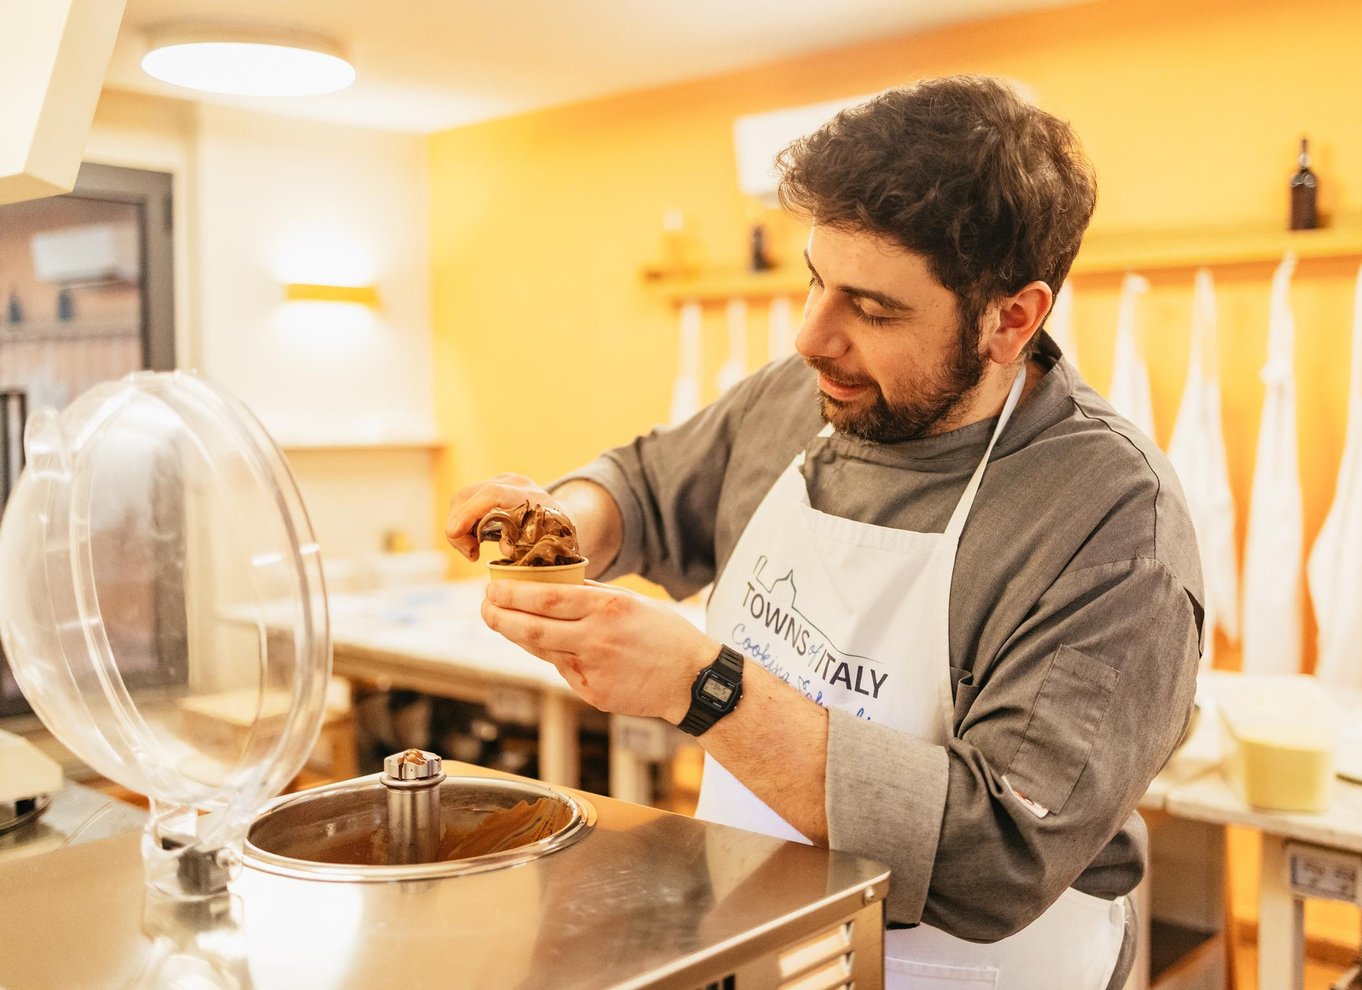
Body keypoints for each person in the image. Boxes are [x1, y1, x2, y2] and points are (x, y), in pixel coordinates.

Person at [446, 75, 1202, 990]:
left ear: (1012, 320)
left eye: (873, 308)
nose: (812, 336)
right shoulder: (800, 400)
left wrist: (702, 687)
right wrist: (556, 523)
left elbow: (994, 858)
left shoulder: (1114, 524)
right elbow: (643, 486)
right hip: (765, 928)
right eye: (815, 280)